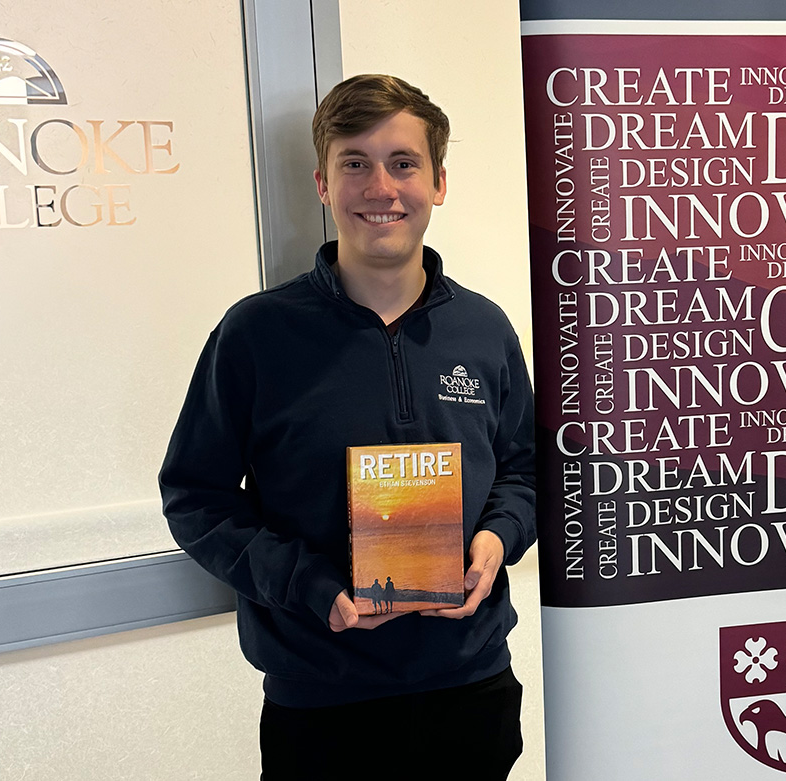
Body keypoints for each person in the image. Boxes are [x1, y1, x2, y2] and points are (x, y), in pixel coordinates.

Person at [159, 74, 536, 780]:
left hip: (472, 687)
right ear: (323, 185)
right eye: (354, 163)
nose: (380, 187)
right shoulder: (256, 334)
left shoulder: (483, 329)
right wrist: (307, 583)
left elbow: (525, 467)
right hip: (321, 702)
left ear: (439, 181)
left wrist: (497, 538)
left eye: (403, 162)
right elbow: (196, 498)